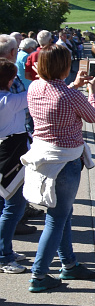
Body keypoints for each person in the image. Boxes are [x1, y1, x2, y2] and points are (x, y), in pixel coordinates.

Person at [24, 44, 95, 292]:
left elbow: (57, 97)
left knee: (63, 213)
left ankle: (69, 263)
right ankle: (39, 275)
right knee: (56, 219)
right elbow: (94, 116)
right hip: (66, 162)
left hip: (44, 157)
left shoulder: (35, 87)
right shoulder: (70, 95)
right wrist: (92, 91)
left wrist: (75, 86)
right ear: (63, 66)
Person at [0, 44, 31, 273]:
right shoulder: (9, 102)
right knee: (14, 207)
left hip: (7, 152)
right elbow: (34, 94)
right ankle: (3, 256)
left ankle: (6, 250)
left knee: (10, 208)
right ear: (9, 81)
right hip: (10, 156)